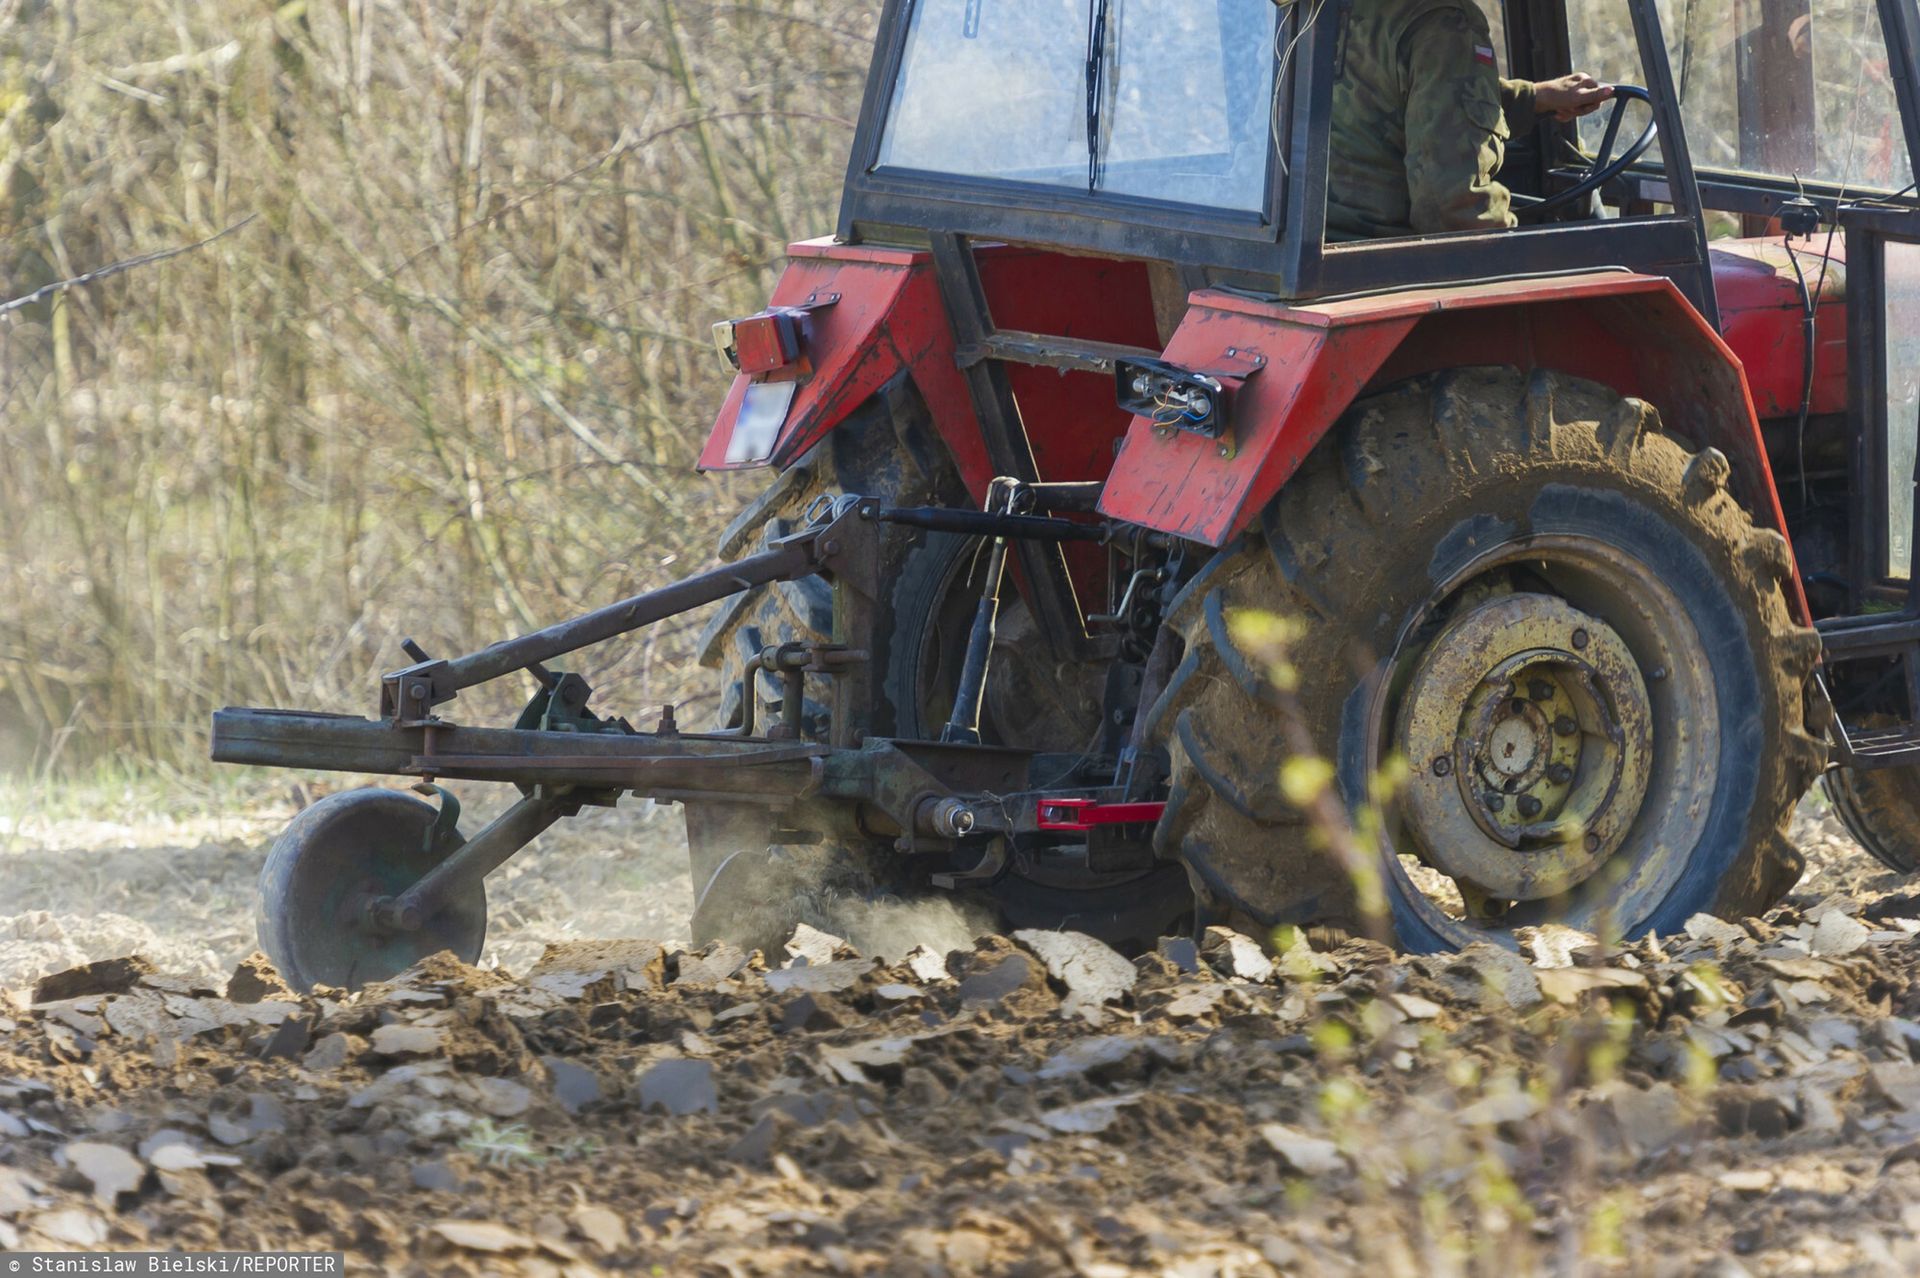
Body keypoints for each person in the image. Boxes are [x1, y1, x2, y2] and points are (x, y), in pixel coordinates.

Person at [1326, 0, 1613, 241]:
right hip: (1387, 267)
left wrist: (1535, 98)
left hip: (1323, 256)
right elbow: (1452, 211)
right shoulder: (1444, 22)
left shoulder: (1342, 8)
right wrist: (1528, 249)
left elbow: (1402, 95)